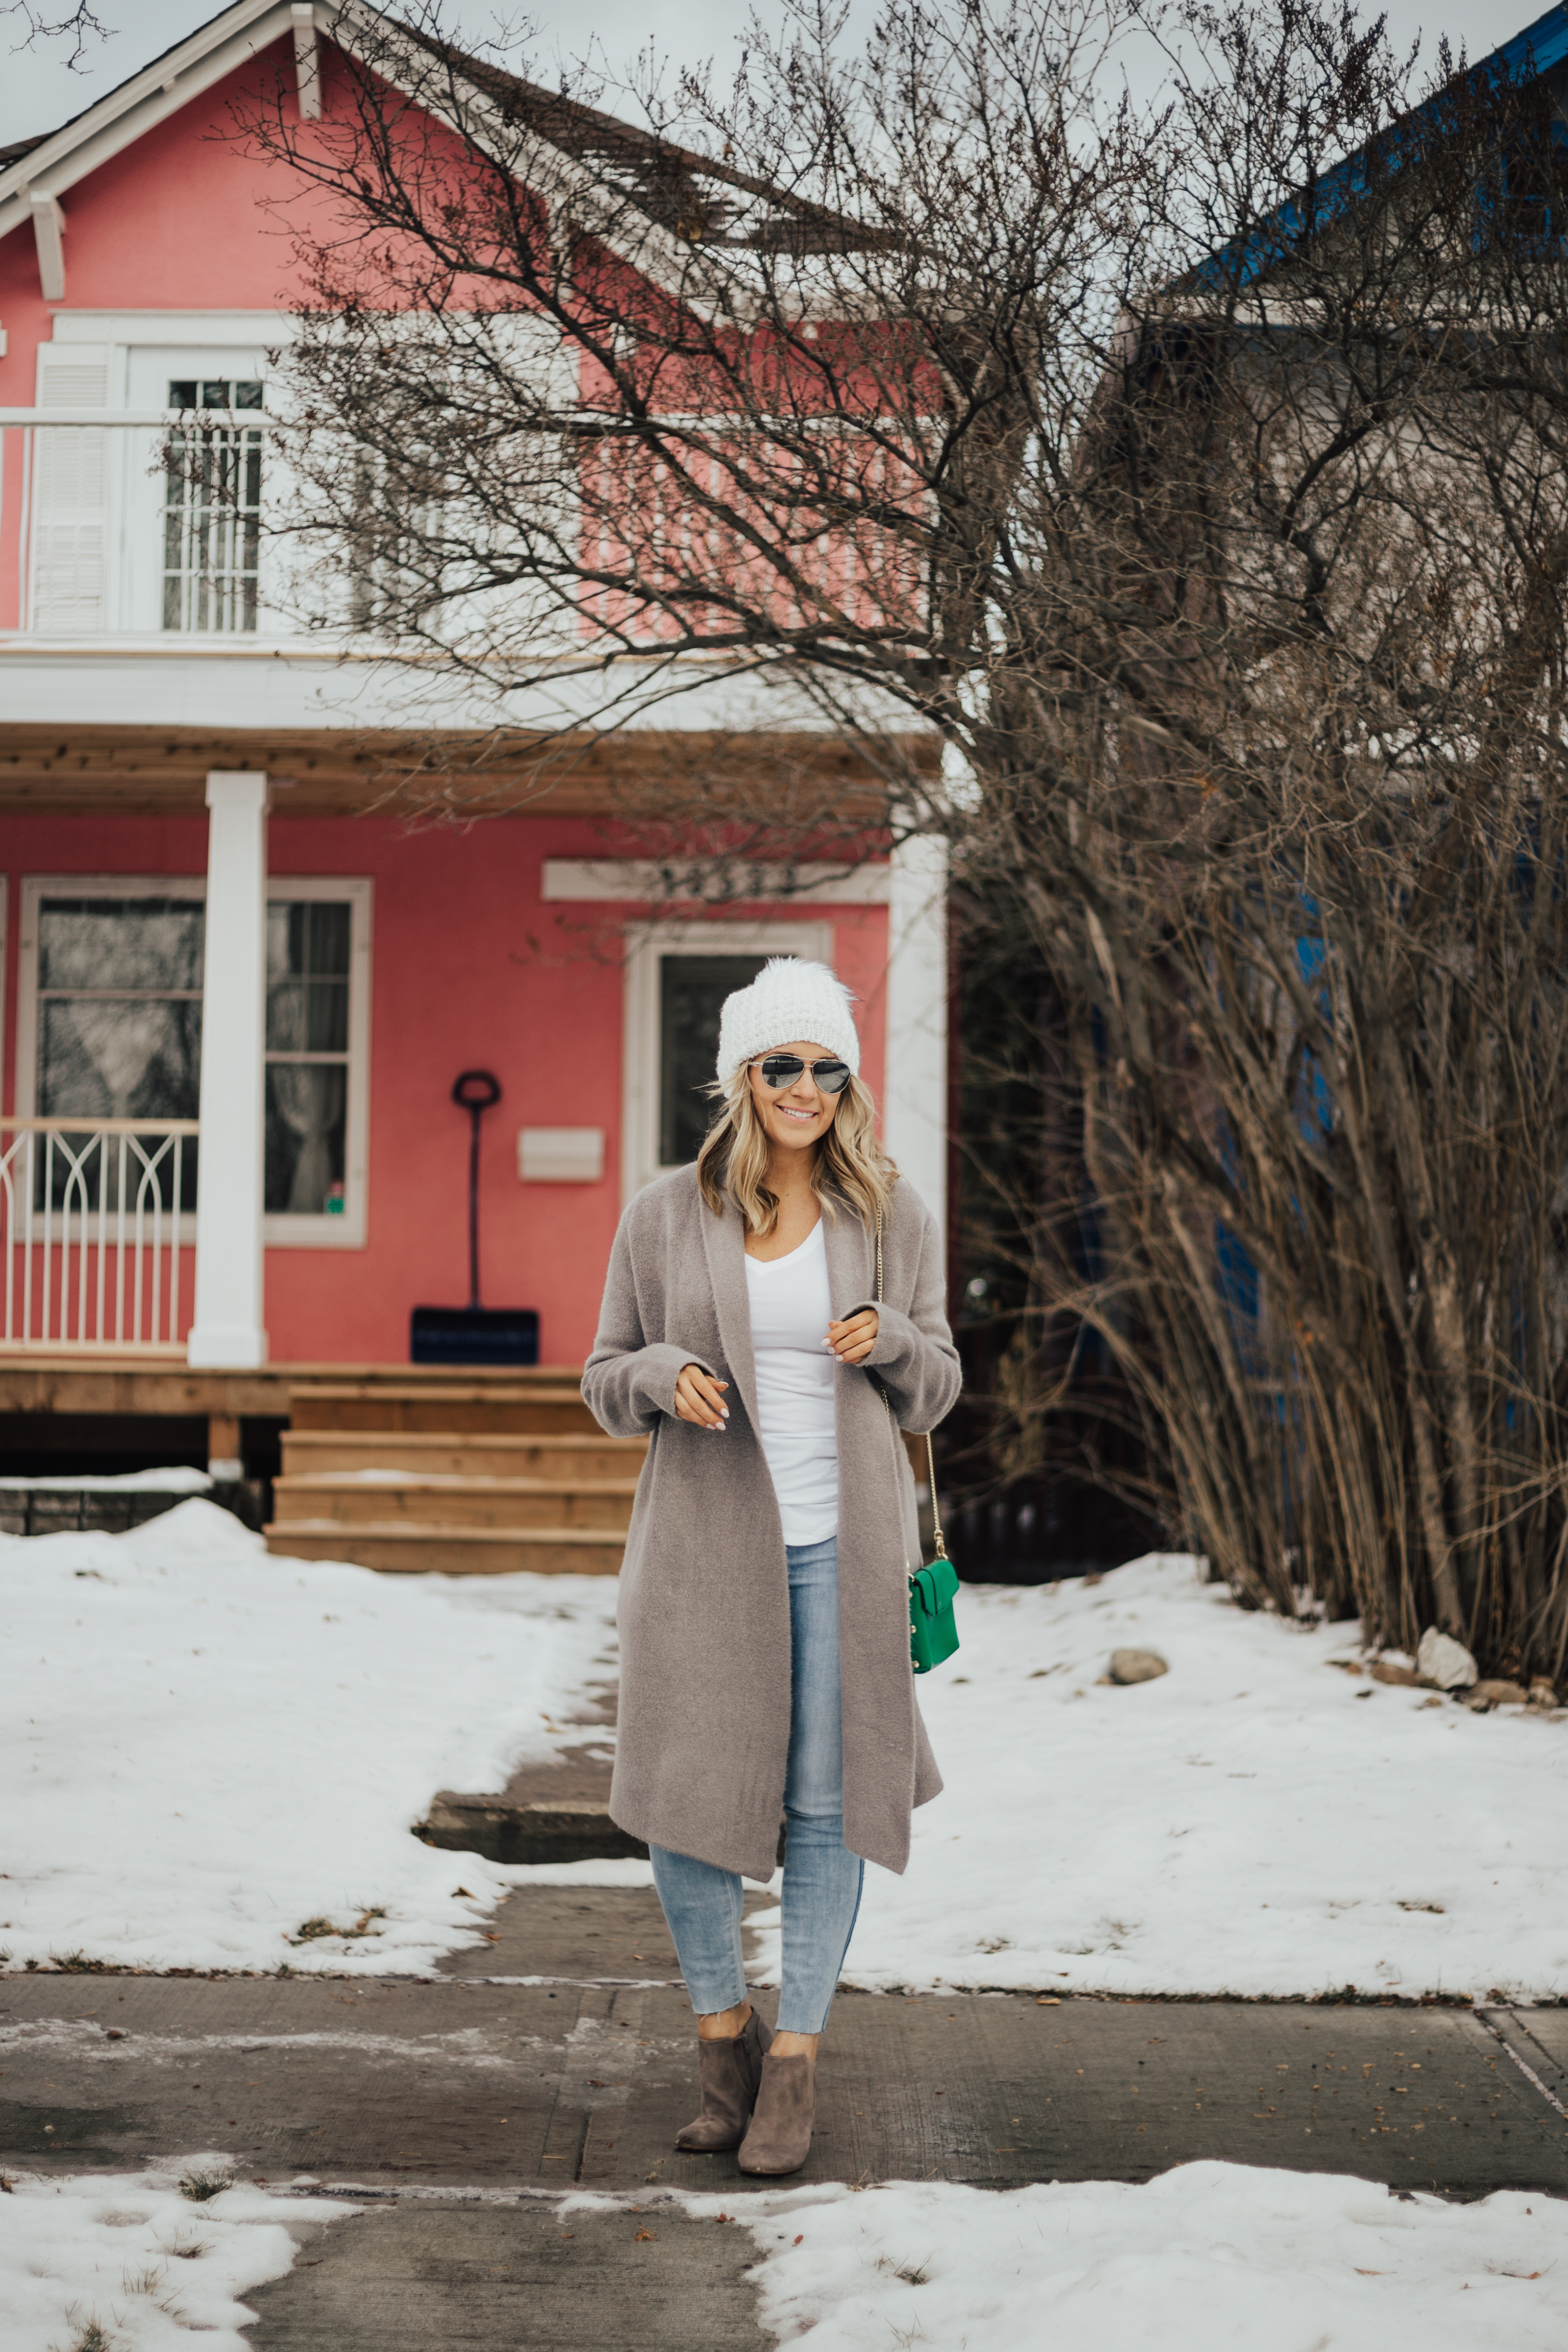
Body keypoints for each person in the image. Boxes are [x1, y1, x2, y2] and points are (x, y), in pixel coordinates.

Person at [582, 957, 960, 2175]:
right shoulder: (663, 1212)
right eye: (781, 1064)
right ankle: (719, 2037)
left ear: (846, 1081)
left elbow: (942, 1387)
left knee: (825, 1806)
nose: (805, 1086)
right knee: (686, 1807)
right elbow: (600, 1376)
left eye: (825, 1066)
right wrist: (655, 1377)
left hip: (842, 1556)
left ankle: (794, 2058)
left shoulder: (892, 1213)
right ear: (741, 1077)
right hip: (702, 1557)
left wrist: (896, 1340)